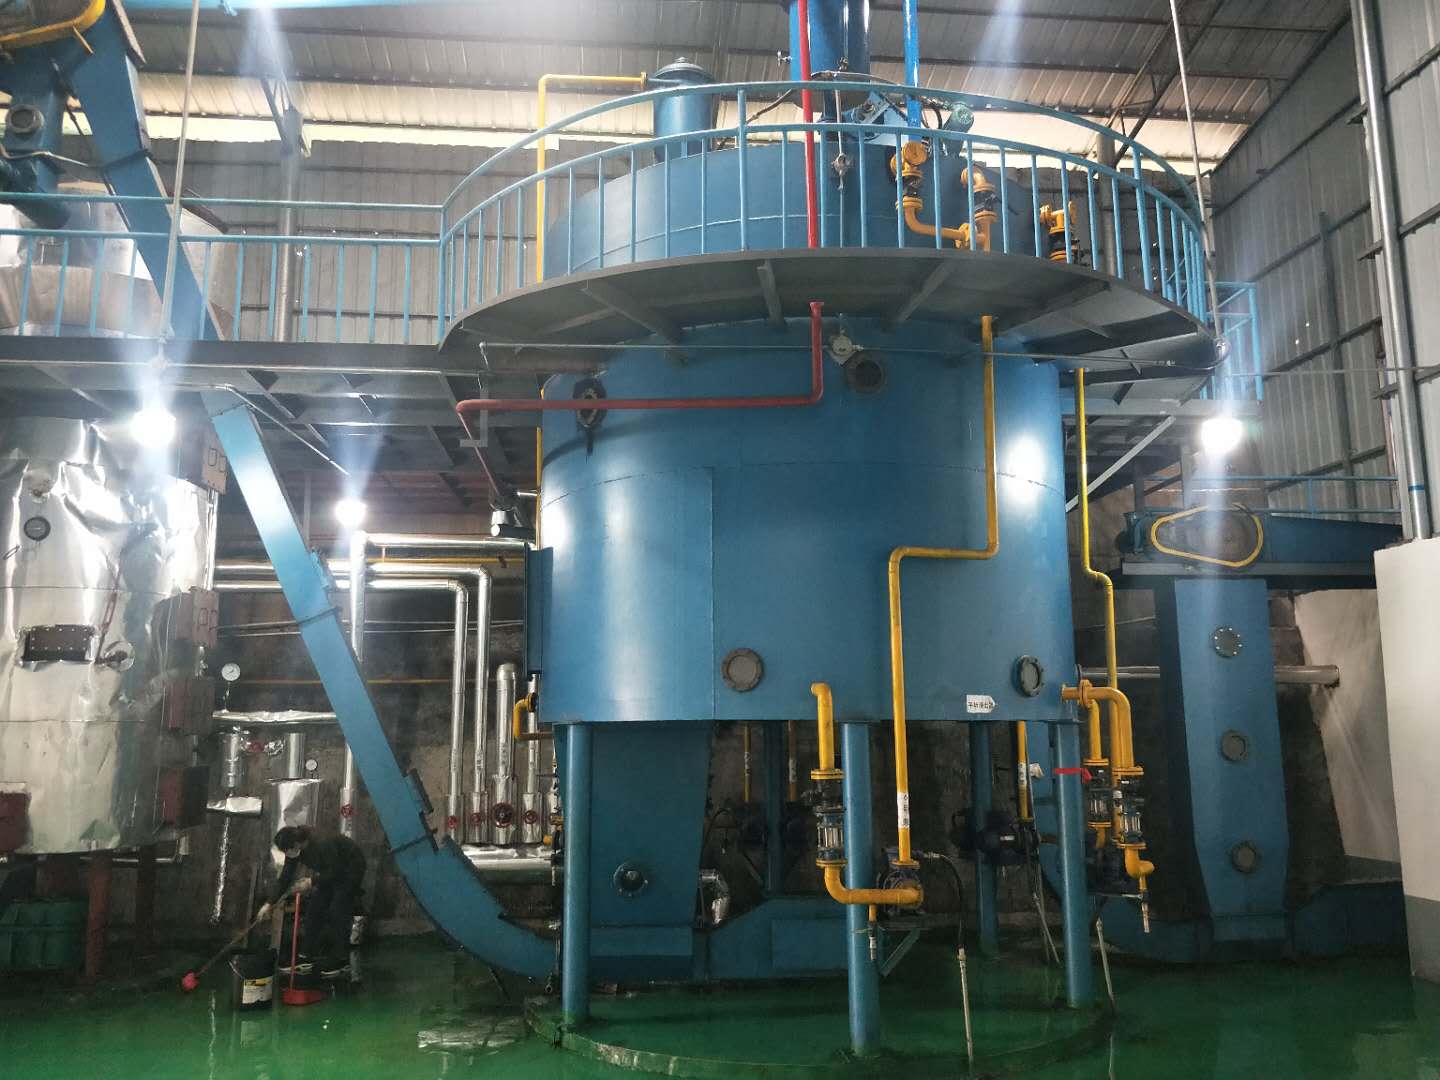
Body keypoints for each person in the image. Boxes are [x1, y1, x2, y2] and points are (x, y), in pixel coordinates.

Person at [256, 825, 366, 977]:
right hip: (330, 871)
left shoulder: (322, 843)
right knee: (314, 909)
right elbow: (285, 877)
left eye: (287, 850)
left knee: (337, 909)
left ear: (296, 844)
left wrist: (311, 882)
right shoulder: (294, 850)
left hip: (350, 868)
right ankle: (305, 956)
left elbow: (336, 870)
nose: (287, 854)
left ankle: (342, 960)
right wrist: (269, 903)